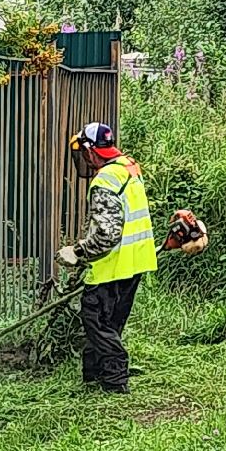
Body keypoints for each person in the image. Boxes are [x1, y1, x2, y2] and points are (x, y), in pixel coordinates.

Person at [55, 122, 156, 394]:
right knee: (110, 323)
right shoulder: (128, 168)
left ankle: (114, 380)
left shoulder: (104, 181)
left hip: (112, 267)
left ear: (90, 152)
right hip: (135, 263)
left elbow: (107, 235)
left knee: (95, 321)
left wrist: (77, 253)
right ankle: (93, 375)